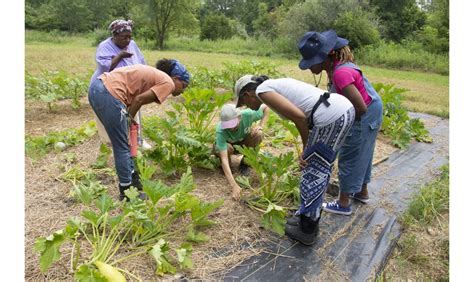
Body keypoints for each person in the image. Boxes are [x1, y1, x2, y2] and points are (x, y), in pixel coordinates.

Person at [234, 74, 355, 245]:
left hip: (331, 116)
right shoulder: (273, 85)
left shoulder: (262, 90)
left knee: (313, 170)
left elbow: (299, 117)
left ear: (247, 93)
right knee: (322, 167)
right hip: (343, 110)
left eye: (244, 102)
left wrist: (306, 149)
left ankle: (307, 229)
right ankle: (308, 216)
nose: (248, 107)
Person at [297, 30, 383, 215]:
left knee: (349, 155)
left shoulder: (340, 73)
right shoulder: (336, 67)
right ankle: (362, 192)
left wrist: (343, 124)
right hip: (373, 109)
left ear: (325, 57)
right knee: (364, 153)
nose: (310, 69)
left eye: (312, 64)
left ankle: (343, 203)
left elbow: (360, 108)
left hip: (364, 115)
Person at [88, 59, 190, 200]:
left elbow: (135, 98)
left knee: (124, 142)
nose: (183, 91)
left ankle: (133, 181)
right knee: (122, 145)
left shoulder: (158, 76)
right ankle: (127, 192)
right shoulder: (168, 83)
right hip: (108, 93)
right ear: (176, 78)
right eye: (183, 85)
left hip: (97, 88)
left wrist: (130, 120)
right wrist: (129, 119)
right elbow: (139, 100)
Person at [90, 19, 151, 149]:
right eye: (124, 37)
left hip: (129, 86)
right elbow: (105, 67)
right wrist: (120, 56)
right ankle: (110, 144)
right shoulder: (104, 46)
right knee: (109, 115)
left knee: (133, 112)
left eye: (130, 37)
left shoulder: (132, 44)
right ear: (114, 35)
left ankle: (138, 140)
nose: (128, 40)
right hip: (106, 87)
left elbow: (141, 62)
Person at [214, 103, 270, 201]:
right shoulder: (220, 130)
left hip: (243, 143)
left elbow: (265, 107)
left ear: (239, 117)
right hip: (229, 147)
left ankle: (245, 162)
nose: (231, 128)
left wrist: (261, 126)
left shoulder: (248, 114)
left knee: (258, 134)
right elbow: (224, 159)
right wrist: (234, 186)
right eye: (227, 125)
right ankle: (228, 169)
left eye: (233, 124)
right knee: (226, 149)